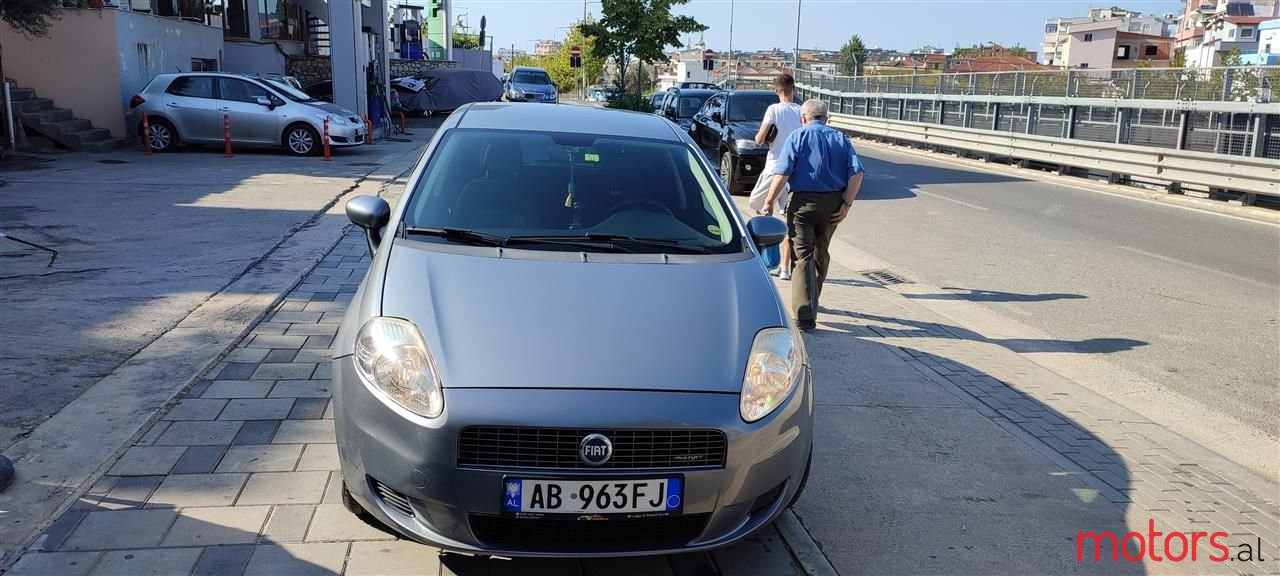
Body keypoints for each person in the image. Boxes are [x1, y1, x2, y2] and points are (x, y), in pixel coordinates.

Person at [760, 99, 864, 331]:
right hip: (833, 204)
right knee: (821, 251)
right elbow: (857, 174)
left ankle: (805, 314)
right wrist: (847, 204)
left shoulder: (797, 137)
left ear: (803, 118)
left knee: (802, 255)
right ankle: (812, 297)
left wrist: (768, 201)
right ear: (826, 118)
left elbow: (783, 173)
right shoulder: (840, 138)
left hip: (802, 204)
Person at [748, 74, 803, 280]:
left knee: (759, 206)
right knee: (789, 220)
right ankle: (785, 267)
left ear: (776, 91)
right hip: (794, 172)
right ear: (793, 90)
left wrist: (764, 136)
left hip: (774, 168)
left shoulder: (774, 110)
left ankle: (770, 259)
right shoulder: (801, 111)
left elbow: (760, 138)